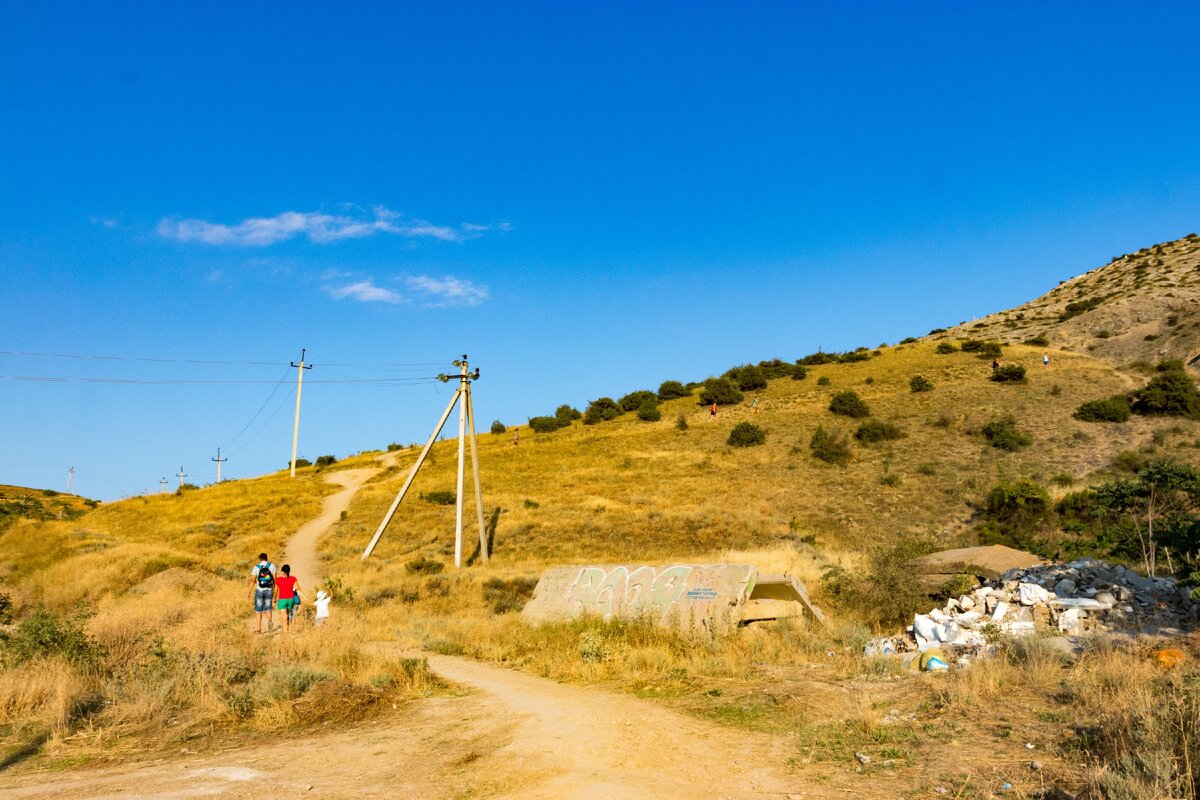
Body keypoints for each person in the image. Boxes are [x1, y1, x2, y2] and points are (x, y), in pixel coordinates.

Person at [248, 552, 276, 633]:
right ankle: (270, 621)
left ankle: (258, 629)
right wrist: (275, 592)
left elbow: (253, 581)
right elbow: (275, 580)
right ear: (267, 558)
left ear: (260, 559)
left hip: (259, 590)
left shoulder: (256, 567)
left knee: (258, 611)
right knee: (268, 609)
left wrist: (249, 591)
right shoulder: (272, 566)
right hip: (269, 590)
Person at [275, 564, 303, 632]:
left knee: (284, 617)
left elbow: (275, 590)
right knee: (290, 615)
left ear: (282, 571)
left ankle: (285, 632)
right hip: (291, 599)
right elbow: (298, 588)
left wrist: (274, 598)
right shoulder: (293, 578)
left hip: (282, 600)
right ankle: (290, 629)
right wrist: (302, 597)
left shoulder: (278, 579)